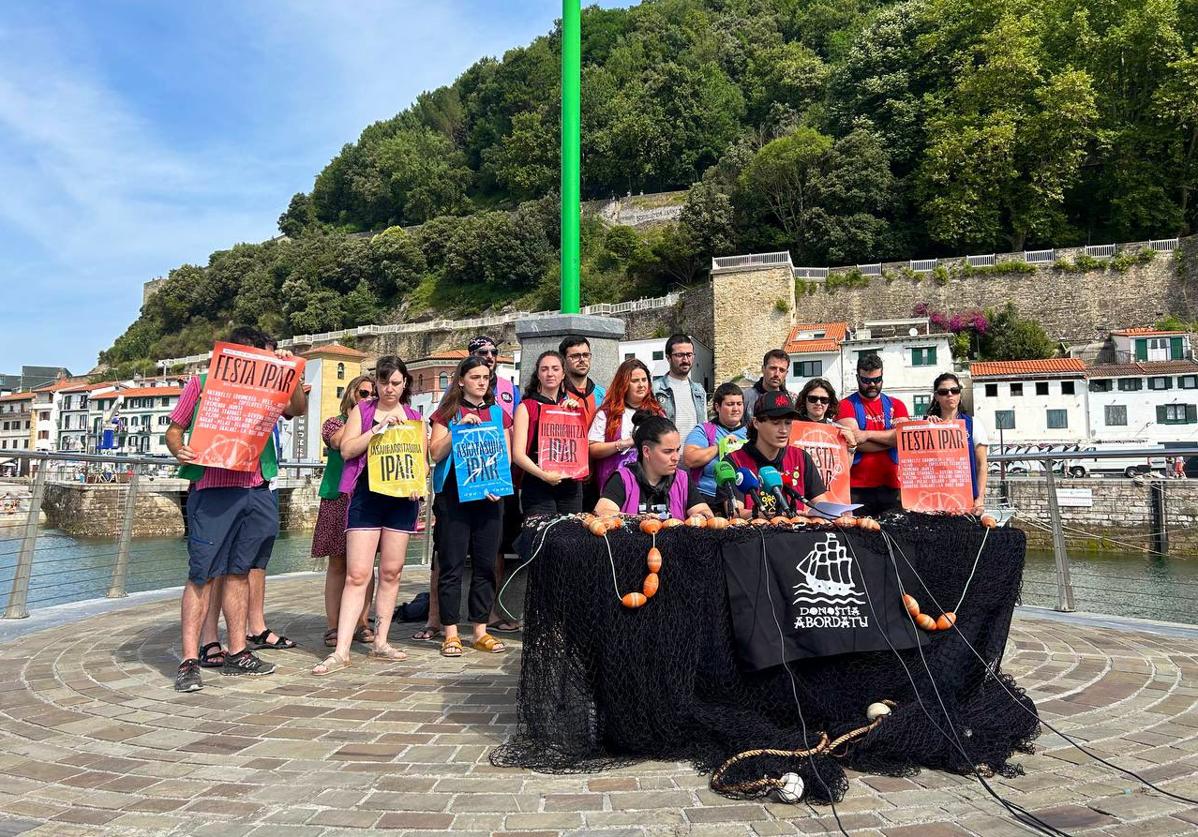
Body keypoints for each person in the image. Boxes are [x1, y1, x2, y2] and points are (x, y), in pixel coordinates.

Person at [167, 326, 307, 693]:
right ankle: (188, 660)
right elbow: (174, 429)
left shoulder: (270, 384)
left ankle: (238, 651)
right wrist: (177, 448)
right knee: (202, 574)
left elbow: (298, 409)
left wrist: (289, 371)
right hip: (213, 488)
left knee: (240, 572)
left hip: (258, 485)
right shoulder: (200, 383)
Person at [313, 355, 421, 675]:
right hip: (366, 497)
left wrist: (418, 482)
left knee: (391, 572)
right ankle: (342, 650)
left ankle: (381, 641)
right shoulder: (363, 411)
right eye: (384, 382)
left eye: (396, 383)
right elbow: (346, 449)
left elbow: (421, 460)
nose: (390, 389)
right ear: (376, 383)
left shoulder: (414, 416)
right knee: (357, 574)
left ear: (405, 384)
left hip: (402, 499)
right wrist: (377, 428)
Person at [429, 356, 513, 657]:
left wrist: (498, 485)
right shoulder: (446, 413)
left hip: (489, 496)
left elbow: (506, 455)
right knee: (451, 563)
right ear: (461, 380)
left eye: (485, 377)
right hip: (454, 496)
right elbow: (435, 453)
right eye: (475, 376)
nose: (481, 382)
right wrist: (457, 429)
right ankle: (450, 632)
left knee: (486, 563)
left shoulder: (499, 414)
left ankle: (480, 629)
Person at [313, 375, 376, 649]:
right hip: (338, 497)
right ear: (351, 395)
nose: (367, 397)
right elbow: (340, 443)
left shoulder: (379, 424)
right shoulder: (335, 423)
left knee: (365, 565)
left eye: (372, 394)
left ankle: (362, 621)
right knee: (338, 562)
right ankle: (333, 624)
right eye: (363, 393)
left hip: (369, 496)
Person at [468, 334, 521, 634]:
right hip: (466, 480)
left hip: (501, 479)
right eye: (482, 351)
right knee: (449, 552)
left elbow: (514, 428)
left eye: (494, 352)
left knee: (497, 547)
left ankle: (492, 611)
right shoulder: (459, 387)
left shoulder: (509, 389)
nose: (489, 356)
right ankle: (437, 619)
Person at [728, 391, 829, 517]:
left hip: (799, 533)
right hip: (755, 534)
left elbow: (822, 505)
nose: (783, 430)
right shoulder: (734, 461)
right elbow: (735, 513)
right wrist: (784, 516)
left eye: (788, 423)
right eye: (776, 423)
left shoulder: (801, 457)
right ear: (756, 423)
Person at [595, 412, 713, 520]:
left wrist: (701, 516)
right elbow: (601, 512)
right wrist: (640, 520)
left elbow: (705, 512)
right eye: (668, 451)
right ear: (646, 451)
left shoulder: (682, 479)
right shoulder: (623, 478)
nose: (676, 457)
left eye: (677, 450)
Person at [836, 354, 909, 517]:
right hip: (856, 489)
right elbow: (854, 442)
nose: (872, 385)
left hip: (892, 487)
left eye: (877, 379)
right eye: (866, 380)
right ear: (857, 377)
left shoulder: (897, 405)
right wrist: (891, 439)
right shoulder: (845, 405)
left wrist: (867, 434)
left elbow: (904, 439)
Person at [513, 351, 585, 516]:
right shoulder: (526, 407)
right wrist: (543, 475)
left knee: (570, 536)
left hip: (570, 484)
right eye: (544, 369)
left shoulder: (571, 406)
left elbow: (579, 446)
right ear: (538, 374)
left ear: (563, 374)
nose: (550, 373)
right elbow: (518, 454)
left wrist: (575, 414)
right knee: (542, 536)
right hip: (537, 482)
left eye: (555, 369)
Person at [589, 358, 665, 492]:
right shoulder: (607, 413)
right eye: (635, 381)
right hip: (617, 483)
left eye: (644, 379)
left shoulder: (658, 412)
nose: (641, 385)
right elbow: (592, 449)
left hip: (652, 483)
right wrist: (623, 444)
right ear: (623, 384)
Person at [926, 372, 989, 515]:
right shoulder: (926, 426)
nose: (950, 394)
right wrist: (928, 428)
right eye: (943, 392)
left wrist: (980, 499)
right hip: (934, 504)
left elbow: (982, 465)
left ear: (960, 394)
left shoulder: (974, 424)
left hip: (966, 503)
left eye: (954, 390)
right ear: (936, 397)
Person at [683, 382, 748, 509]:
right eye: (730, 404)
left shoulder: (752, 432)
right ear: (717, 407)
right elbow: (690, 459)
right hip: (709, 497)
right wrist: (720, 447)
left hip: (745, 498)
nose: (736, 409)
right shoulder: (705, 430)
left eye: (739, 404)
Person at [652, 334, 706, 443]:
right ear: (668, 358)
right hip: (667, 455)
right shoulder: (655, 389)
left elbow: (704, 425)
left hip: (695, 455)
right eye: (679, 355)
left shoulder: (699, 391)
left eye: (689, 354)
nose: (685, 359)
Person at [796, 378, 857, 448]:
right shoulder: (792, 428)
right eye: (813, 399)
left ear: (829, 402)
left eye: (824, 400)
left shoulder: (838, 431)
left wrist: (852, 445)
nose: (818, 403)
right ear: (804, 400)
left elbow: (846, 459)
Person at [741, 349, 791, 419]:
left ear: (786, 373)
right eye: (773, 368)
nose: (777, 374)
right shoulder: (745, 398)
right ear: (763, 369)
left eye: (782, 370)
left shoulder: (792, 399)